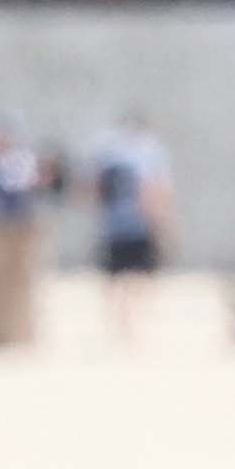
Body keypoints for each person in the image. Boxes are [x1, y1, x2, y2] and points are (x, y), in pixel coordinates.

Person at [90, 110, 175, 340]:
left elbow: (96, 189)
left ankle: (122, 325)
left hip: (114, 224)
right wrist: (163, 221)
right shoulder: (150, 152)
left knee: (117, 280)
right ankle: (135, 327)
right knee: (139, 277)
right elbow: (154, 190)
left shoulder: (108, 152)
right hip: (138, 223)